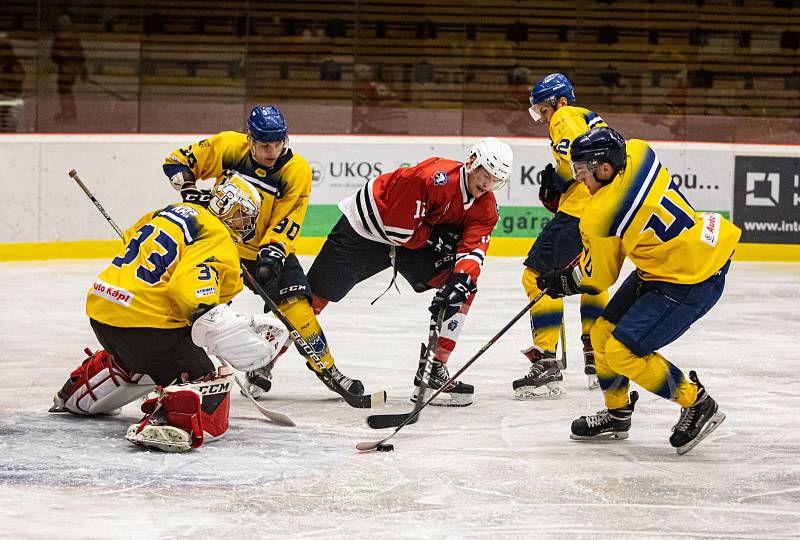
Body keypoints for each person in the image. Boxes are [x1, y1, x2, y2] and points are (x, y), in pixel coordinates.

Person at [49, 173, 289, 452]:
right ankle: (170, 421)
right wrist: (213, 319)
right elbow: (190, 291)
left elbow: (131, 239)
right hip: (147, 328)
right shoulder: (219, 238)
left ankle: (80, 393)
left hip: (103, 313)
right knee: (207, 384)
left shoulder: (167, 211)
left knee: (144, 358)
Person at [536, 127, 739, 455]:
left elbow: (599, 277)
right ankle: (617, 414)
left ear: (604, 169)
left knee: (620, 351)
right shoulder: (639, 152)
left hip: (692, 276)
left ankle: (697, 402)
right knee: (601, 334)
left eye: (584, 172)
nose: (580, 180)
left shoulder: (601, 213)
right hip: (676, 257)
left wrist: (564, 281)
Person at [163, 105, 365, 400]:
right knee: (194, 305)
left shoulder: (295, 171)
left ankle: (327, 369)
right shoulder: (229, 146)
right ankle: (174, 368)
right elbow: (177, 162)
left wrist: (273, 253)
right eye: (264, 145)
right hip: (219, 242)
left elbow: (289, 217)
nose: (271, 151)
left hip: (263, 250)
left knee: (297, 307)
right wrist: (189, 188)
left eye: (277, 143)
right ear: (249, 139)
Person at [306, 137, 513, 407]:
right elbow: (396, 229)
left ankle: (433, 369)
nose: (486, 185)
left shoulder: (485, 207)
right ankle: (265, 359)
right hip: (368, 229)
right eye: (485, 174)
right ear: (472, 162)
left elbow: (473, 251)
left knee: (462, 289)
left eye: (495, 180)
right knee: (313, 298)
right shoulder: (430, 179)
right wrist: (433, 239)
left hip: (413, 238)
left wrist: (460, 279)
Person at [513, 73, 609, 399]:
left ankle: (547, 359)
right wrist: (563, 182)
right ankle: (596, 351)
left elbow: (579, 157)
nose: (542, 118)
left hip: (579, 212)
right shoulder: (588, 118)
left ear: (561, 101)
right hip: (599, 213)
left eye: (543, 109)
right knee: (589, 277)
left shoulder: (565, 117)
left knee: (537, 277)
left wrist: (562, 180)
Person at [50, 13, 85, 121]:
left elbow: (78, 54)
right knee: (63, 88)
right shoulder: (60, 37)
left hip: (69, 66)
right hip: (65, 66)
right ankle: (69, 110)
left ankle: (69, 111)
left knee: (64, 88)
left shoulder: (71, 38)